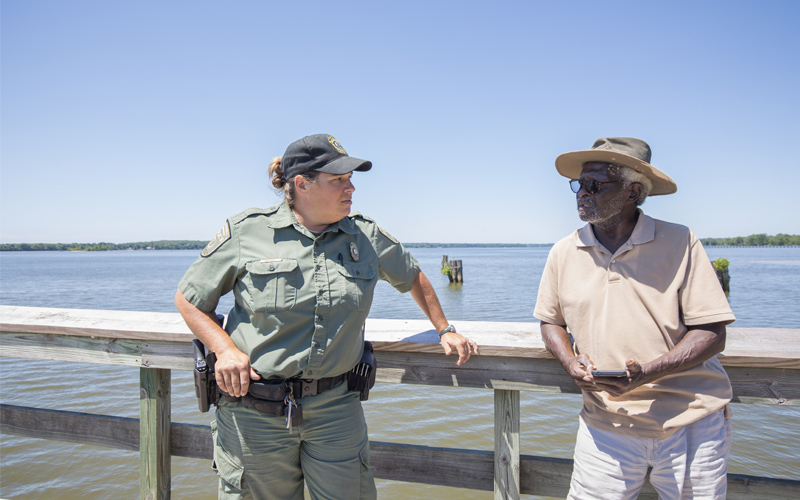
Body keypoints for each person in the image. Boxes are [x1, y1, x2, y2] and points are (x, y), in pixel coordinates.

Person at [175, 133, 479, 500]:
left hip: (337, 408)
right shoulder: (247, 231)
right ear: (301, 184)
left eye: (350, 179)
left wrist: (444, 329)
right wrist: (224, 349)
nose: (350, 188)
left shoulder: (365, 235)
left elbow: (412, 275)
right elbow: (189, 299)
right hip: (254, 412)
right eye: (338, 180)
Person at [533, 137, 735, 499]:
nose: (581, 192)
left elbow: (712, 331)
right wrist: (569, 361)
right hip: (604, 424)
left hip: (690, 421)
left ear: (632, 191)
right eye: (578, 184)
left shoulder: (680, 241)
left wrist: (650, 371)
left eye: (594, 184)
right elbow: (551, 321)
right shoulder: (563, 251)